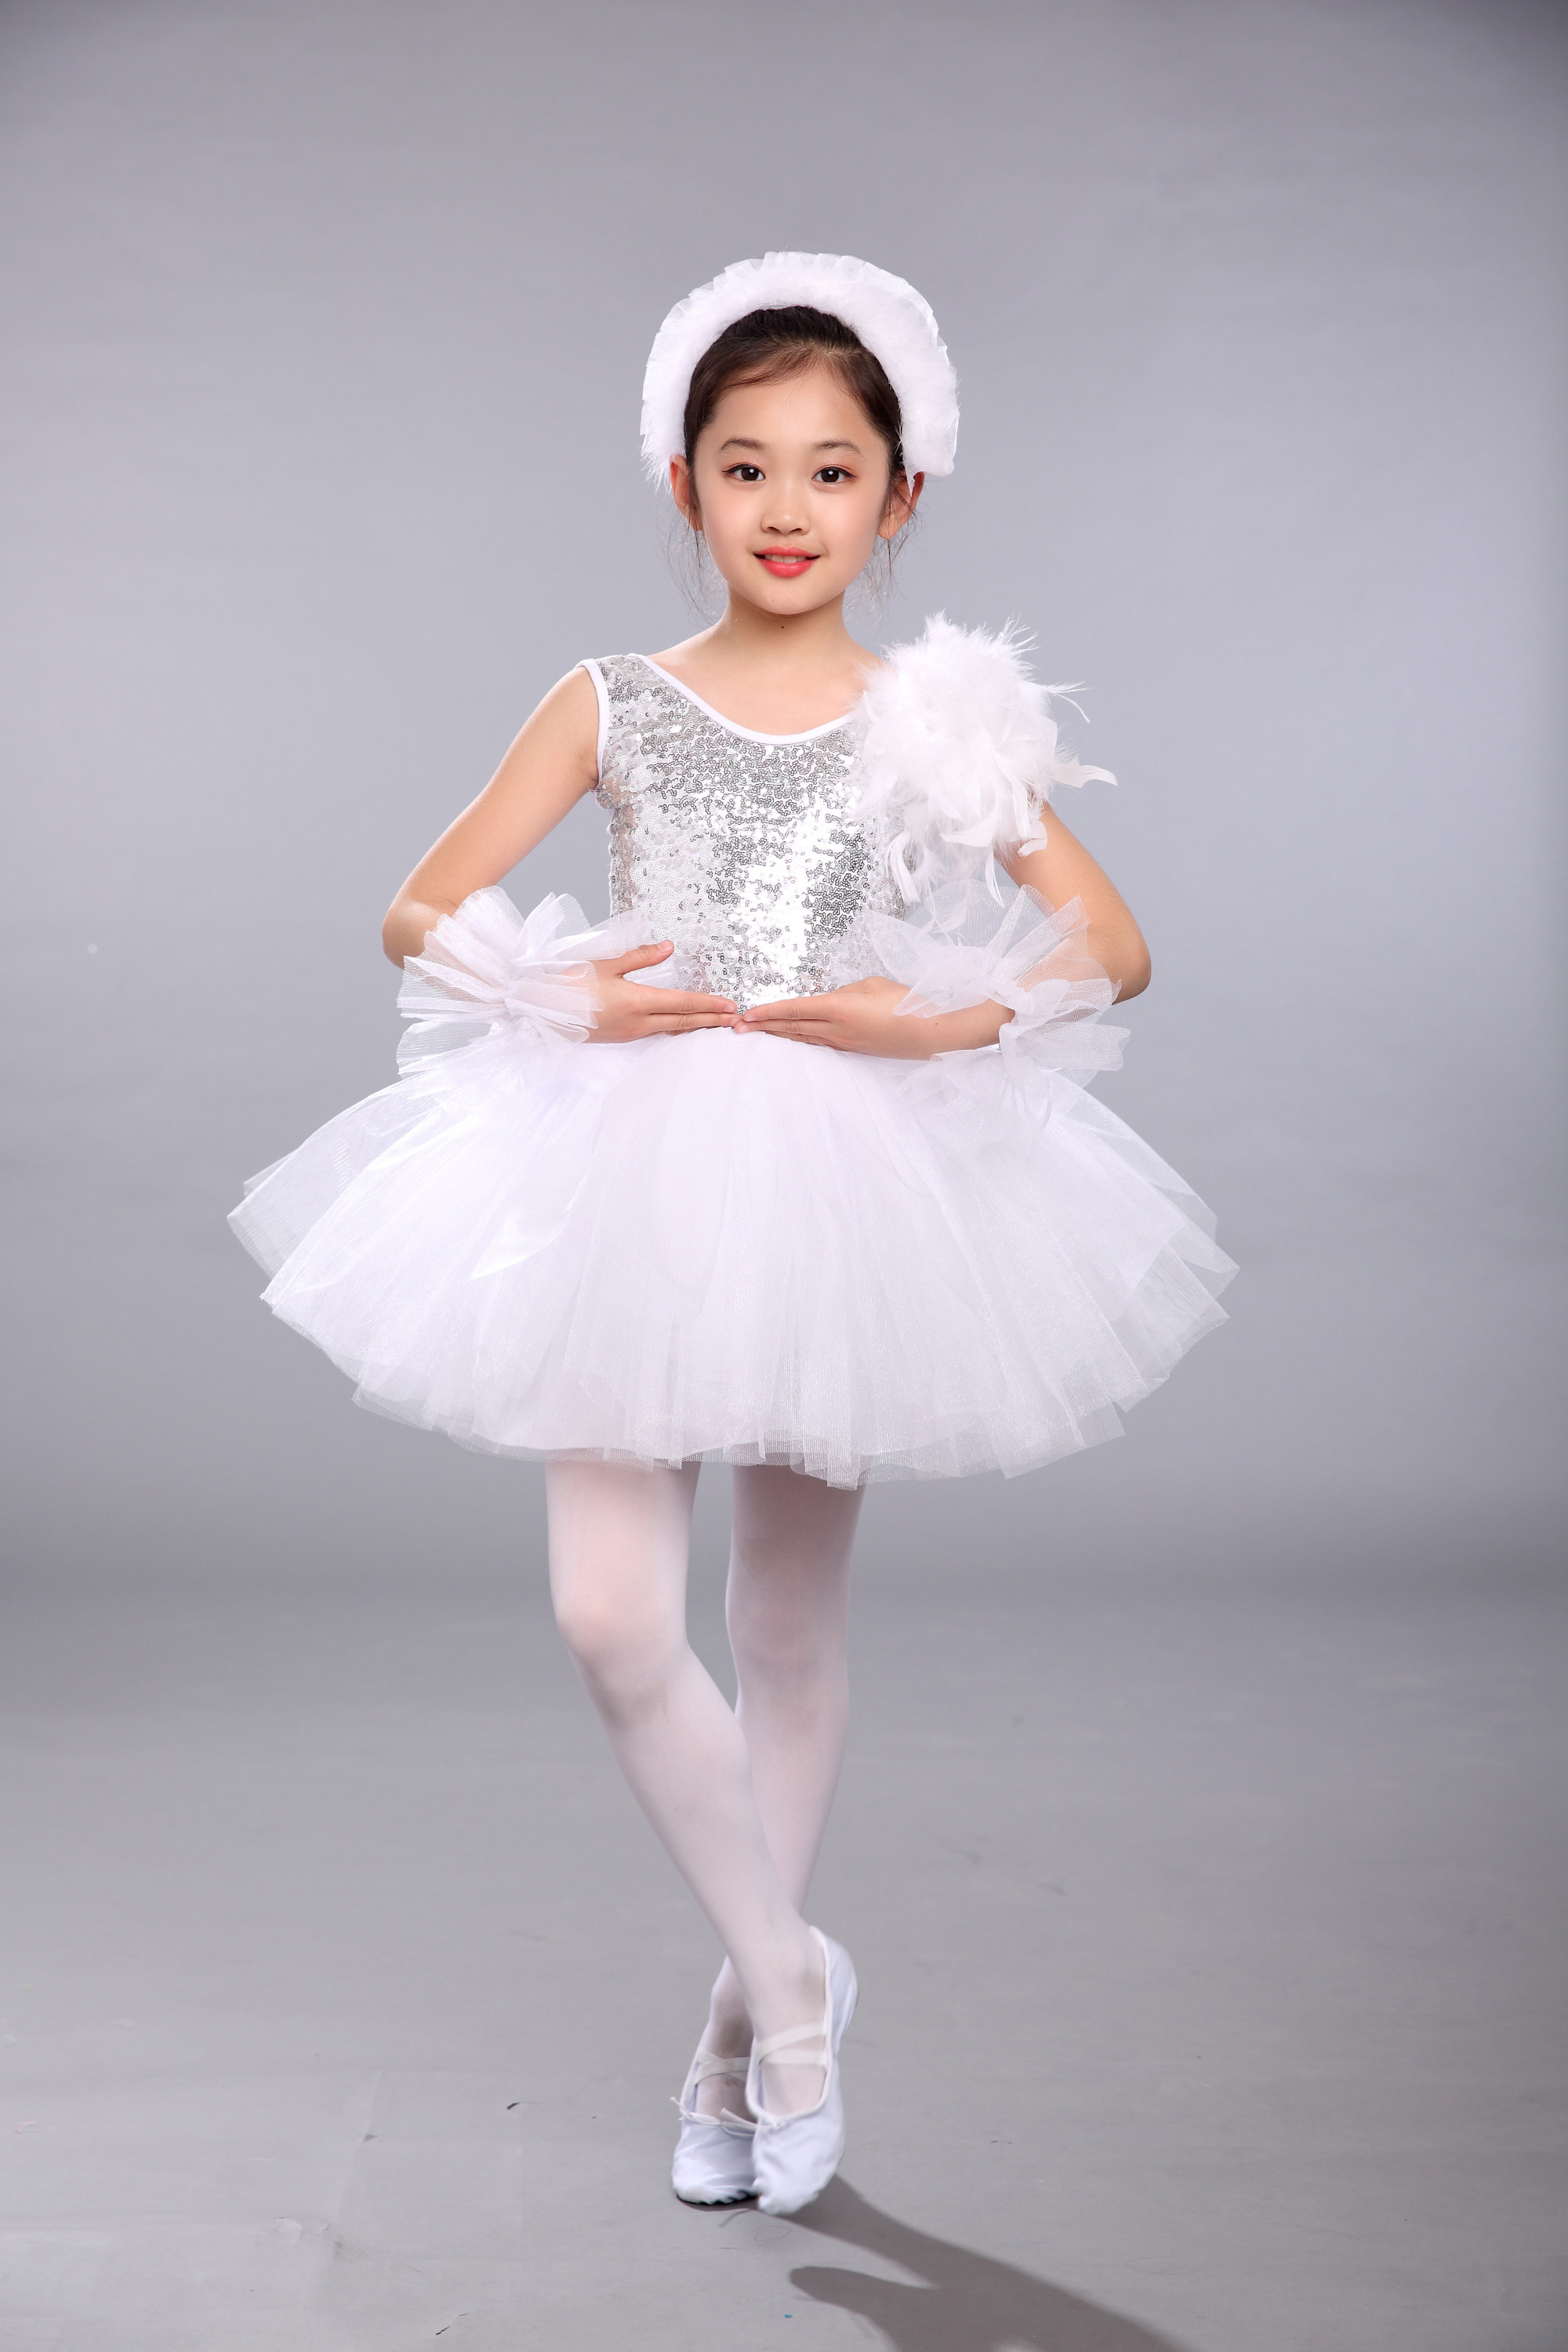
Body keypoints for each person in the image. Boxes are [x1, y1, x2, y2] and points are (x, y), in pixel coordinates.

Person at [230, 252, 1235, 2217]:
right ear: (681, 482)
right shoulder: (612, 699)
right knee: (611, 1613)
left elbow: (1110, 945)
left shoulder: (928, 717)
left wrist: (937, 1021)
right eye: (746, 465)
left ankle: (733, 2042)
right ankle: (791, 1980)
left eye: (833, 471)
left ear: (901, 496)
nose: (787, 508)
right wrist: (556, 993)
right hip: (623, 1163)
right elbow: (418, 906)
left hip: (842, 1168)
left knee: (781, 1621)